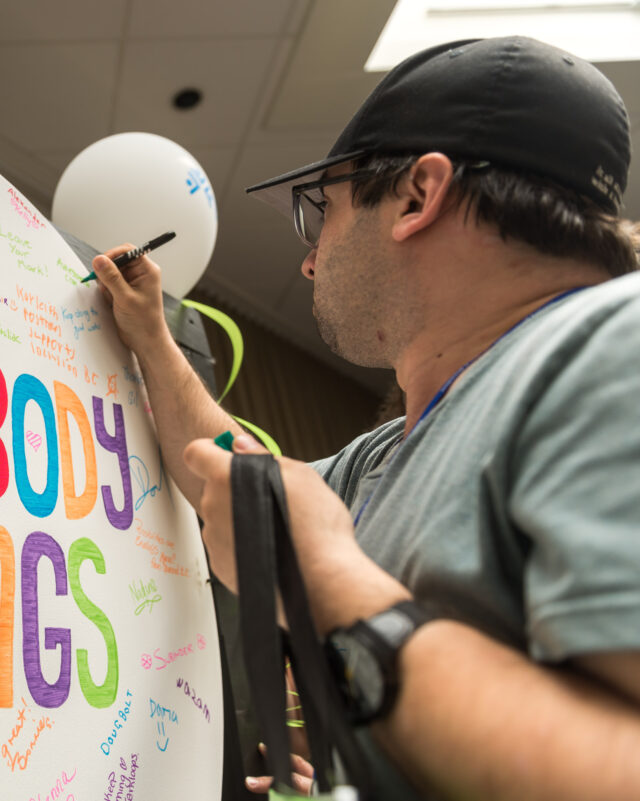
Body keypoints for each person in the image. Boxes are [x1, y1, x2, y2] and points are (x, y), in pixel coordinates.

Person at [92, 36, 640, 800]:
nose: (312, 260)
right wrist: (151, 337)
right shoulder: (394, 451)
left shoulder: (615, 344)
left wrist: (325, 580)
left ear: (419, 195)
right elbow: (239, 481)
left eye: (327, 210)